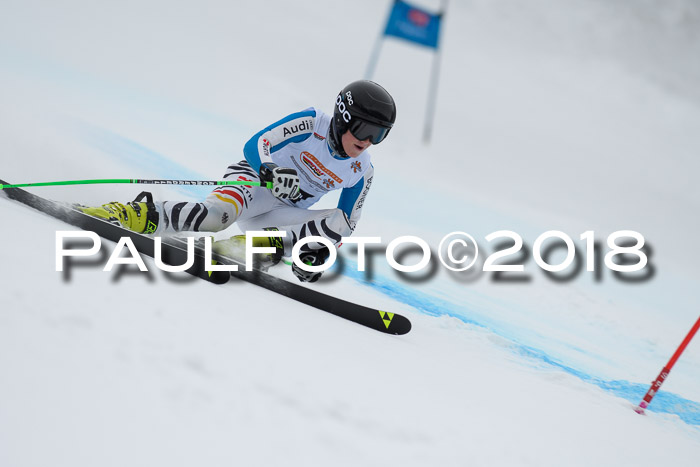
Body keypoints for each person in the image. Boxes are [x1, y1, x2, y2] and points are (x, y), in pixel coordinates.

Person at [80, 80, 397, 282]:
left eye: (379, 135)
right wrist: (269, 170)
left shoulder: (361, 170)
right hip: (255, 184)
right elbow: (257, 143)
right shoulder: (312, 122)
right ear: (343, 116)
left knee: (339, 222)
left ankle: (247, 250)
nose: (368, 141)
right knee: (215, 218)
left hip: (280, 215)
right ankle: (132, 214)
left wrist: (318, 253)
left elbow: (346, 222)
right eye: (364, 129)